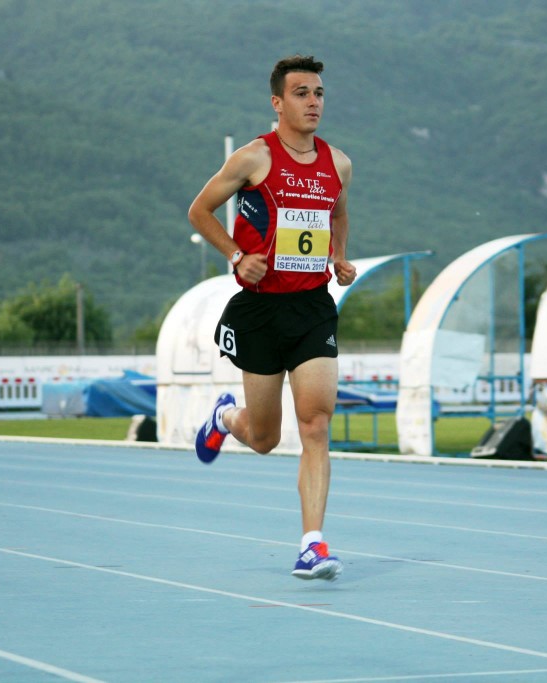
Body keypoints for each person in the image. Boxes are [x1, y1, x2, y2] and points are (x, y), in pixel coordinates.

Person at [188, 54, 356, 581]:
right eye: (302, 93)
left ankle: (312, 544)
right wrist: (237, 256)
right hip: (260, 309)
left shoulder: (339, 164)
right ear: (278, 103)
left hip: (311, 307)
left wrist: (338, 256)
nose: (314, 102)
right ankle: (224, 418)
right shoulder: (253, 159)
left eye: (320, 93)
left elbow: (337, 210)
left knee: (315, 425)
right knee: (263, 438)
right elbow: (199, 210)